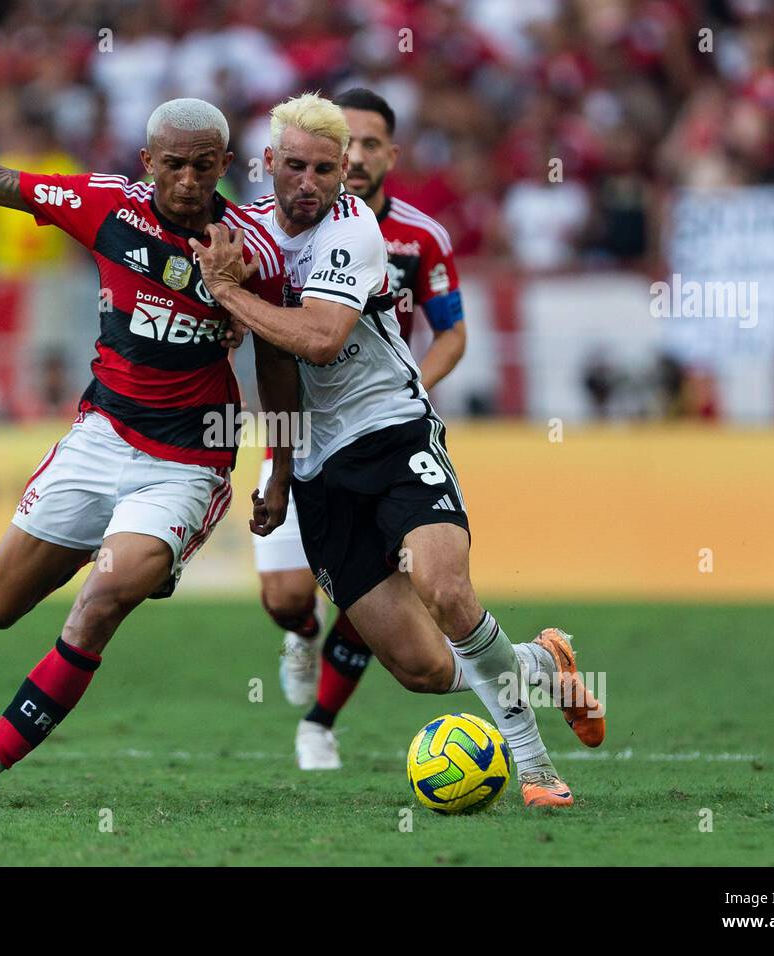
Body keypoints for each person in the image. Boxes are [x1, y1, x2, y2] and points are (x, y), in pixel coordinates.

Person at [0, 72, 295, 809]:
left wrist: (281, 469)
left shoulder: (250, 251)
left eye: (207, 163)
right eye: (175, 162)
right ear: (148, 161)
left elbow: (280, 362)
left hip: (187, 461)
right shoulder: (108, 207)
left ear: (226, 164)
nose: (191, 178)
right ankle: (129, 548)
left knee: (101, 601)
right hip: (101, 436)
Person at [193, 93, 604, 807]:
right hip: (321, 467)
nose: (312, 182)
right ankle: (543, 660)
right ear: (267, 165)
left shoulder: (355, 231)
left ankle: (535, 769)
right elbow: (278, 366)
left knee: (447, 588)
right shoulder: (247, 236)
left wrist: (227, 296)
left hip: (392, 433)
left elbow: (317, 338)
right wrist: (283, 476)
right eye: (296, 166)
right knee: (422, 669)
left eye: (327, 168)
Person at [248, 88, 480, 769]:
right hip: (301, 435)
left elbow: (452, 333)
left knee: (400, 584)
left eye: (366, 145)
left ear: (382, 154)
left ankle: (320, 721)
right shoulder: (268, 232)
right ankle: (301, 632)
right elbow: (280, 356)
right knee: (287, 597)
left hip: (384, 427)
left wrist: (416, 396)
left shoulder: (416, 237)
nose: (346, 160)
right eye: (311, 158)